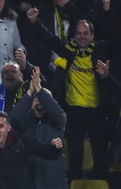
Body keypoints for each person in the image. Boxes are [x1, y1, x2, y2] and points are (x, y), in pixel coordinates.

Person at [27, 11, 121, 180]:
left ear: (92, 35)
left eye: (86, 33)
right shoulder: (69, 50)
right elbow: (50, 39)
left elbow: (117, 43)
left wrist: (106, 76)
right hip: (74, 112)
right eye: (79, 33)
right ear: (74, 35)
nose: (82, 36)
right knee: (74, 157)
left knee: (100, 158)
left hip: (97, 113)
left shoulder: (100, 49)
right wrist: (35, 21)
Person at [10, 67, 69, 189]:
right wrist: (30, 92)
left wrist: (39, 90)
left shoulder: (57, 121)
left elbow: (57, 111)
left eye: (44, 99)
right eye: (37, 100)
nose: (40, 102)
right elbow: (12, 119)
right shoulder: (24, 122)